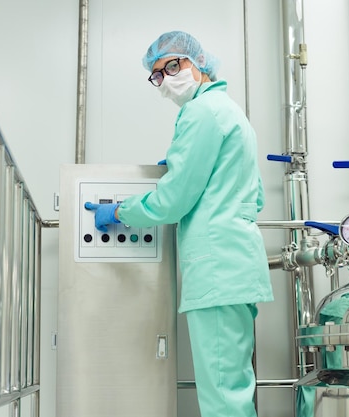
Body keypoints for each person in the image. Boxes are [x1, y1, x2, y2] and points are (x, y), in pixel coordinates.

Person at [85, 30, 273, 417]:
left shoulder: (202, 113)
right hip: (234, 266)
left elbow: (172, 201)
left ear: (197, 62)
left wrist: (120, 212)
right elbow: (253, 195)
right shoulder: (229, 111)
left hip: (217, 269)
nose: (168, 77)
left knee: (222, 395)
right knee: (232, 386)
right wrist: (185, 167)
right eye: (158, 73)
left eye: (173, 65)